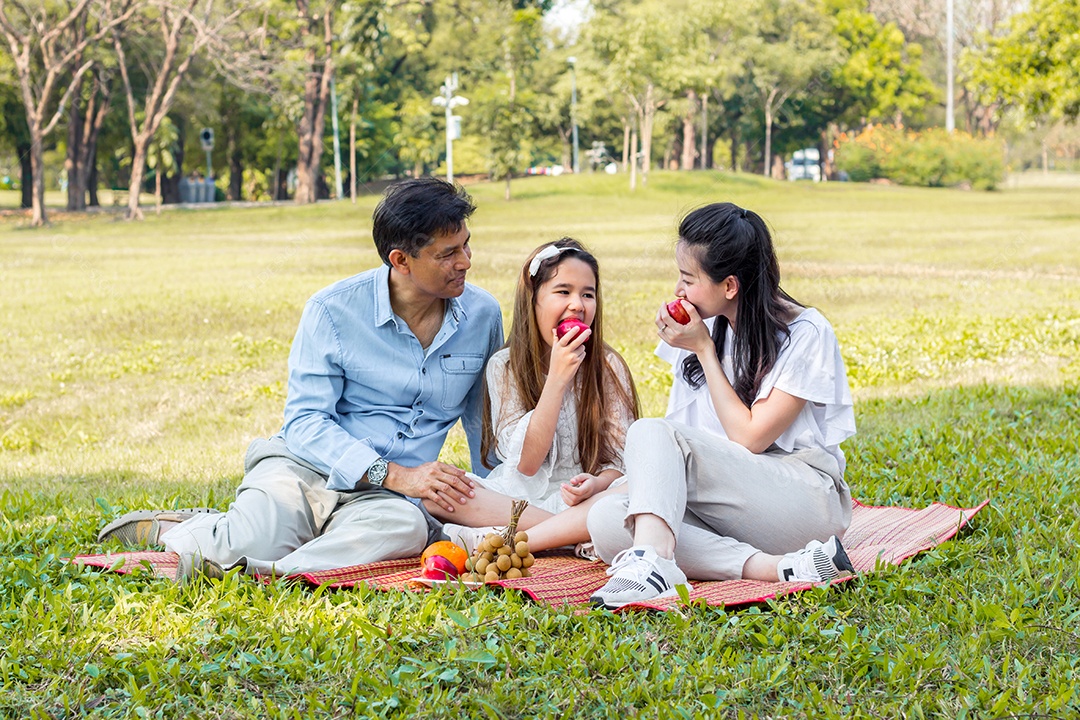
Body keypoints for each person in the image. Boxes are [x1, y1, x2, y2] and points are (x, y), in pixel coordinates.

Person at [97, 177, 505, 580]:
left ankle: (261, 570)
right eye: (448, 253)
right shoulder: (332, 310)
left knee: (407, 530)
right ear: (400, 260)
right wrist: (396, 474)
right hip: (305, 469)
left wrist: (493, 507)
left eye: (467, 244)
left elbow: (481, 422)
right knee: (254, 538)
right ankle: (190, 530)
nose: (466, 261)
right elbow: (306, 422)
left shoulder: (482, 314)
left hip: (391, 498)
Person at [587, 202, 857, 609]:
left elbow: (748, 438)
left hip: (804, 502)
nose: (678, 291)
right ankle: (781, 568)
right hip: (736, 507)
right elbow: (684, 456)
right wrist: (614, 484)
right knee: (607, 519)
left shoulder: (806, 332)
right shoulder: (704, 326)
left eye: (687, 279)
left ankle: (652, 564)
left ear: (729, 285)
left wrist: (704, 351)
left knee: (651, 429)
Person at [442, 239, 640, 555]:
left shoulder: (606, 366)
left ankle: (522, 537)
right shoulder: (505, 366)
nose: (577, 304)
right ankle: (571, 535)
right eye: (563, 292)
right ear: (533, 299)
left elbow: (622, 462)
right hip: (522, 497)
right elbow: (528, 465)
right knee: (443, 496)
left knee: (636, 491)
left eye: (587, 294)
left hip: (590, 499)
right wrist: (557, 379)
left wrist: (598, 484)